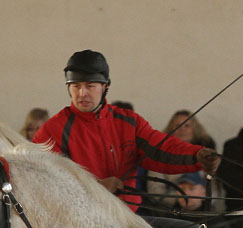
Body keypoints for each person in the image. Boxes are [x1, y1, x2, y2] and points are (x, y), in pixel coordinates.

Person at [32, 50, 219, 213]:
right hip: (80, 222)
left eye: (90, 86)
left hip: (129, 218)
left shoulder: (129, 122)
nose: (82, 93)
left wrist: (198, 156)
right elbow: (44, 183)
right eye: (76, 86)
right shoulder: (51, 130)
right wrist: (97, 187)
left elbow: (160, 149)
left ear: (105, 87)